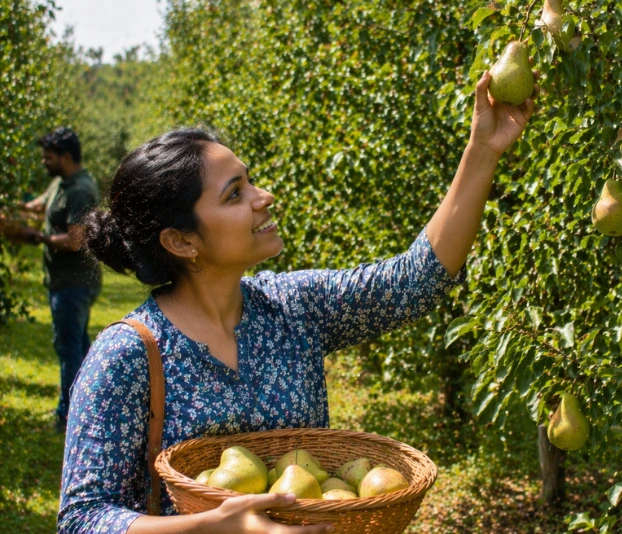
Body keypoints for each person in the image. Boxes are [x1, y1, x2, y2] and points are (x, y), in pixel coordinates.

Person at [58, 71, 534, 533]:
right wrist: (207, 527)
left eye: (251, 180)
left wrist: (483, 150)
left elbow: (416, 281)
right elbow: (82, 518)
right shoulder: (128, 357)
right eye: (235, 193)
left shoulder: (292, 308)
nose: (264, 197)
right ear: (181, 241)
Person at [16, 127, 102, 433]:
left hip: (73, 284)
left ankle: (68, 417)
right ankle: (88, 405)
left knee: (68, 350)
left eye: (48, 157)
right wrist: (16, 209)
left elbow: (76, 240)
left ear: (66, 157)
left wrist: (37, 236)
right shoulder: (62, 183)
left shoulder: (79, 190)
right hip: (68, 282)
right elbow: (39, 204)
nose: (43, 162)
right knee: (76, 346)